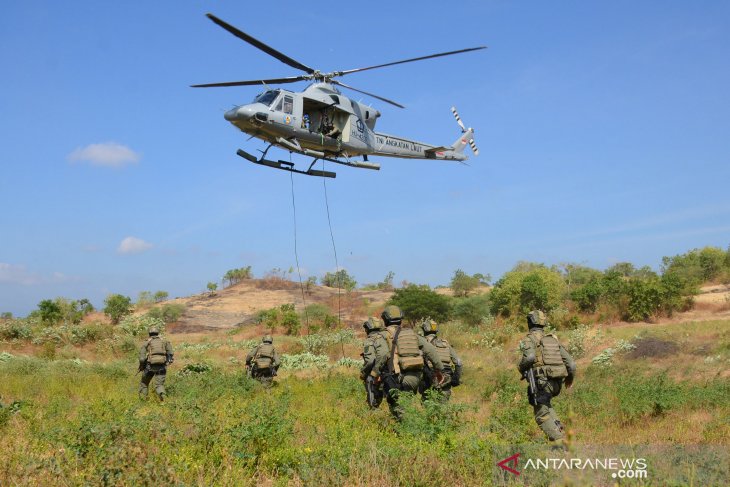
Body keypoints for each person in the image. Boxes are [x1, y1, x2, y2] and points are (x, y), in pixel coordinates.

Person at [518, 310, 576, 446]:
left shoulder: (529, 339)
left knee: (541, 415)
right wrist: (569, 379)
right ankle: (560, 430)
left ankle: (561, 444)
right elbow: (572, 364)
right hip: (556, 383)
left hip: (541, 382)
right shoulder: (552, 339)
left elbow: (530, 357)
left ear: (529, 322)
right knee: (546, 407)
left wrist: (520, 367)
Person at [379, 305, 444, 420]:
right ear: (401, 319)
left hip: (397, 378)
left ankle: (407, 431)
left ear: (384, 320)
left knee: (398, 408)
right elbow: (431, 350)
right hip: (415, 377)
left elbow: (382, 355)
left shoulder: (383, 335)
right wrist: (439, 371)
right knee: (406, 403)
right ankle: (413, 425)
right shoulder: (412, 334)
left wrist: (375, 374)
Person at [420, 319, 463, 401]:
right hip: (446, 378)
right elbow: (459, 362)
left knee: (427, 407)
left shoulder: (422, 343)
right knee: (443, 407)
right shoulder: (445, 343)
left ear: (424, 329)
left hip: (428, 377)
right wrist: (455, 379)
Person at [359, 316, 389, 409]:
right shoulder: (385, 336)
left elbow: (370, 360)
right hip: (390, 370)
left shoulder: (370, 340)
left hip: (377, 372)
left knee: (369, 381)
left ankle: (373, 409)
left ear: (368, 328)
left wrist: (363, 373)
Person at [138, 326, 174, 402]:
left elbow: (142, 359)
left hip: (149, 367)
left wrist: (141, 366)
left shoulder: (146, 342)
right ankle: (164, 399)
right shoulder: (165, 341)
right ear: (158, 333)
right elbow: (170, 354)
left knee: (144, 383)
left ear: (149, 334)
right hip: (162, 367)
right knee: (159, 385)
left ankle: (143, 400)